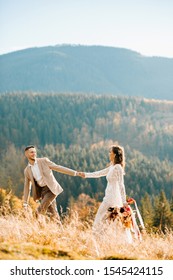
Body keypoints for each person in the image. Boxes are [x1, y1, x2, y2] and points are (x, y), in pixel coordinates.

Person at [78, 145, 133, 243]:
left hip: (112, 198)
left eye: (110, 152)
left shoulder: (118, 168)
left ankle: (98, 239)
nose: (109, 154)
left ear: (115, 154)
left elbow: (121, 185)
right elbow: (99, 173)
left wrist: (124, 201)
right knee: (107, 220)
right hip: (109, 196)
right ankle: (106, 240)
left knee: (100, 218)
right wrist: (85, 175)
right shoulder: (112, 167)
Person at [23, 145, 79, 221]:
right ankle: (60, 230)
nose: (34, 153)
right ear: (26, 154)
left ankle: (37, 229)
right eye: (32, 152)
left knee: (38, 212)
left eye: (35, 152)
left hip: (51, 189)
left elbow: (58, 167)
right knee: (53, 213)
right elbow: (27, 188)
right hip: (43, 192)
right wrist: (25, 203)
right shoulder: (27, 170)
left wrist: (75, 173)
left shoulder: (44, 161)